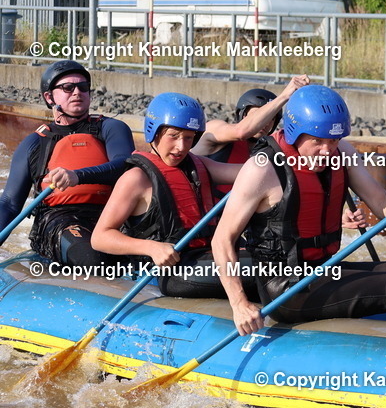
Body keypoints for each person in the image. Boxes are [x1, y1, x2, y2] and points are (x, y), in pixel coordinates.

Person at [212, 84, 386, 335]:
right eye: (317, 141)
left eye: (333, 140)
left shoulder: (342, 153)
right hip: (287, 289)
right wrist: (239, 304)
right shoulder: (262, 170)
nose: (327, 150)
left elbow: (381, 204)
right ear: (293, 133)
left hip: (325, 270)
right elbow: (222, 241)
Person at [90, 93, 249, 298]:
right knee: (270, 269)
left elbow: (247, 173)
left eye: (189, 138)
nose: (181, 147)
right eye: (173, 136)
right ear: (154, 133)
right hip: (172, 272)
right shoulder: (136, 179)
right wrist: (152, 248)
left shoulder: (199, 165)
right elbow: (100, 238)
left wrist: (280, 163)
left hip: (205, 258)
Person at [0, 60, 134, 266]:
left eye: (83, 87)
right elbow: (9, 204)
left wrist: (77, 176)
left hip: (113, 215)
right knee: (90, 257)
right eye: (67, 88)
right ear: (49, 96)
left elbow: (124, 165)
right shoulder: (34, 143)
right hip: (60, 220)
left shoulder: (111, 128)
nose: (77, 92)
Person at [193, 75, 310, 194]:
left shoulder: (271, 149)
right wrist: (285, 96)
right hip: (205, 209)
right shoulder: (214, 129)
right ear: (243, 114)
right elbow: (241, 131)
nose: (265, 123)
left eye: (271, 118)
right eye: (258, 114)